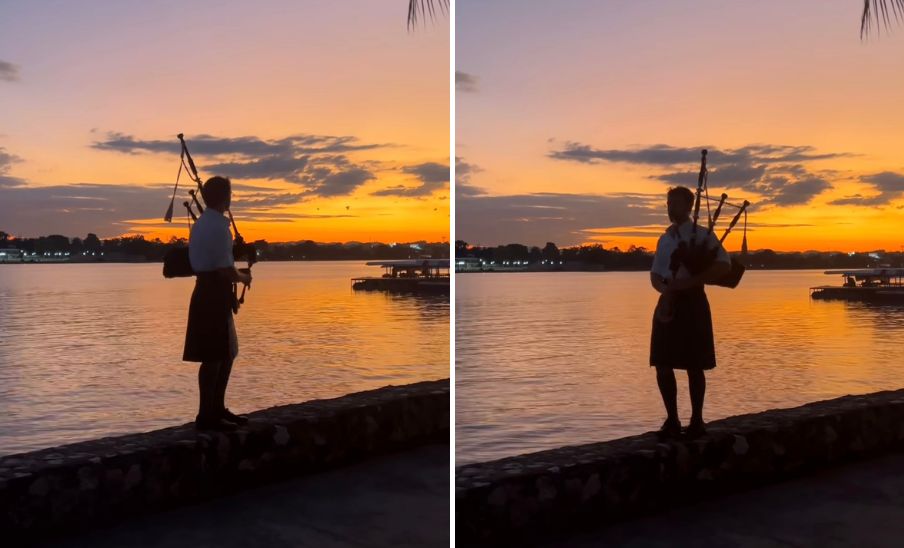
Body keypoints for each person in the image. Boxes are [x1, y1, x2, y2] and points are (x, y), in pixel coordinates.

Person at [649, 186, 731, 439]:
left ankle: (697, 421)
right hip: (668, 301)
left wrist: (689, 282)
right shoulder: (665, 239)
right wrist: (666, 290)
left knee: (695, 364)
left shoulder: (703, 236)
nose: (670, 208)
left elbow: (723, 266)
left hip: (693, 301)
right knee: (662, 363)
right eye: (668, 203)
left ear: (689, 206)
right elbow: (654, 274)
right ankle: (672, 420)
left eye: (675, 203)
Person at [183, 176, 252, 430]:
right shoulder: (219, 228)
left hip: (206, 291)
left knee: (225, 353)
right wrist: (245, 276)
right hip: (214, 292)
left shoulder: (202, 224)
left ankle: (216, 410)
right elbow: (225, 270)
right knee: (215, 356)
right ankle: (207, 416)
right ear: (227, 196)